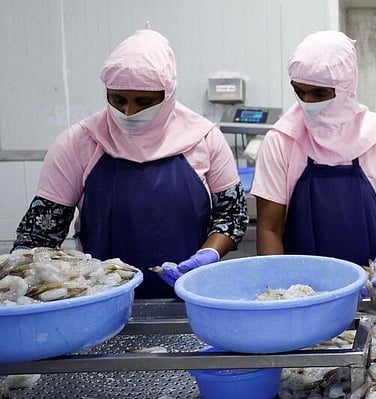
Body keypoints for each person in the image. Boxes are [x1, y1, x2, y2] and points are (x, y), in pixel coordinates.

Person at [12, 27, 249, 299]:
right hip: (100, 300)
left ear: (167, 93)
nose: (129, 112)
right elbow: (39, 237)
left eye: (144, 101)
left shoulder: (204, 139)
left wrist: (208, 254)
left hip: (192, 297)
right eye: (118, 100)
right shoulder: (79, 142)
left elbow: (231, 216)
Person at [252, 31, 376, 299]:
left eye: (319, 93)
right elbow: (269, 227)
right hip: (303, 297)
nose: (307, 102)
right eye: (300, 91)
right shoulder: (281, 140)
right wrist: (283, 293)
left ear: (345, 86)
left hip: (372, 292)